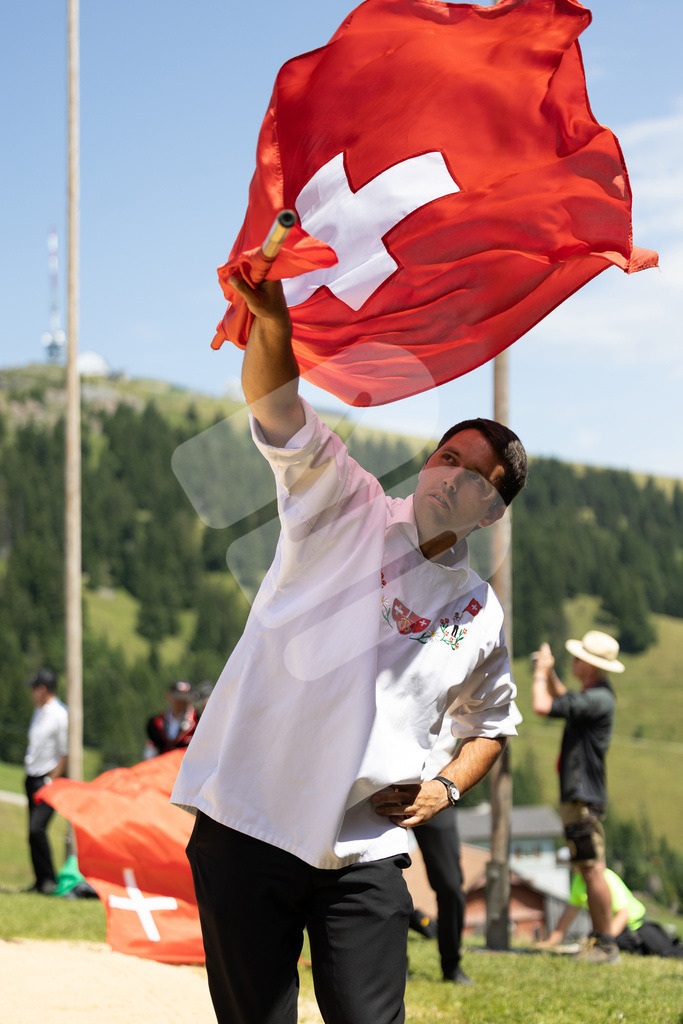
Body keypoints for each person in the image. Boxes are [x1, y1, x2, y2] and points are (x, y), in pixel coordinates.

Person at [172, 277, 528, 1024]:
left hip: (363, 852)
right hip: (248, 823)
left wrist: (446, 789)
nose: (452, 475)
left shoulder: (480, 612)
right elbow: (276, 409)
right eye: (447, 456)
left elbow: (491, 727)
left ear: (489, 513)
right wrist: (271, 323)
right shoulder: (346, 505)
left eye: (475, 478)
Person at [532, 630, 624, 964]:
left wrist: (540, 674)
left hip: (583, 796)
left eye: (578, 658)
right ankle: (601, 941)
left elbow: (543, 705)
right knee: (588, 867)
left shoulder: (598, 698)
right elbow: (564, 699)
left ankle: (605, 943)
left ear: (591, 665)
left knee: (592, 869)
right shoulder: (593, 696)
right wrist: (552, 674)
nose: (574, 661)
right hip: (581, 795)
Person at [413, 722, 471, 985]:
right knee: (384, 881)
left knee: (450, 885)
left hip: (436, 787)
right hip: (382, 786)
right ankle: (393, 965)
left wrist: (452, 777)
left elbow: (486, 729)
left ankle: (452, 966)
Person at [539, 867, 683, 959]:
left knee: (668, 953)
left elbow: (623, 914)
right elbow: (567, 916)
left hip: (639, 927)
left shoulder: (606, 878)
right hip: (618, 934)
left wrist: (604, 939)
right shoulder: (578, 881)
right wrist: (551, 942)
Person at [23, 669, 68, 894]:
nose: (31, 693)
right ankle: (39, 881)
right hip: (32, 777)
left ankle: (49, 879)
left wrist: (52, 779)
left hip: (47, 780)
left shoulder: (60, 714)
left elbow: (64, 752)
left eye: (34, 689)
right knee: (31, 833)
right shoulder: (39, 712)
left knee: (36, 828)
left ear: (42, 689)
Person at [145, 680, 198, 758]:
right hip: (163, 766)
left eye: (184, 698)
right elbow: (152, 749)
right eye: (178, 697)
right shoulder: (156, 723)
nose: (181, 702)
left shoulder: (197, 722)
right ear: (169, 696)